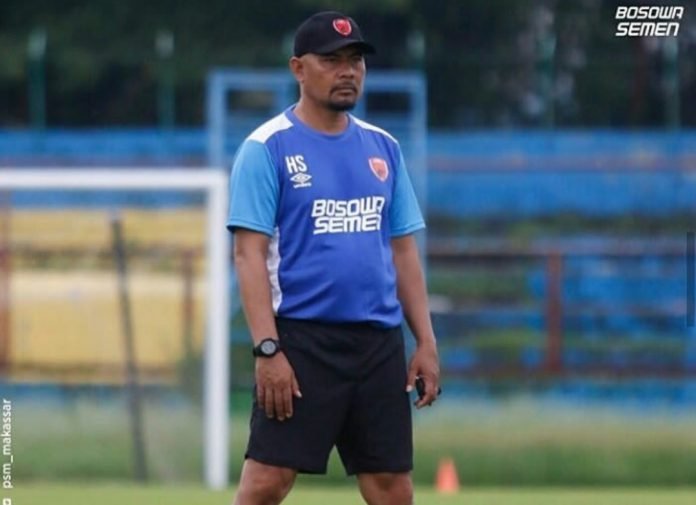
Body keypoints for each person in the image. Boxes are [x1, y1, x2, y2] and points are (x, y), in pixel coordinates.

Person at [227, 11, 440, 505]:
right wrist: (267, 350)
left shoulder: (384, 147)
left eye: (355, 60)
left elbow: (403, 250)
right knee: (266, 482)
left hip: (377, 343)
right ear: (298, 69)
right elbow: (248, 255)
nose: (348, 71)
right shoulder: (266, 148)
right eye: (332, 60)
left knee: (392, 488)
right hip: (302, 341)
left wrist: (425, 341)